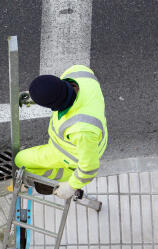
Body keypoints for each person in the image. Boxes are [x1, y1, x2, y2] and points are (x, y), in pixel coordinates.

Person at [15, 65, 108, 199]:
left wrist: (71, 186)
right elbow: (54, 89)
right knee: (23, 160)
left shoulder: (81, 129)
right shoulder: (80, 73)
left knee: (20, 160)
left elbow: (89, 167)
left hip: (72, 155)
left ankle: (63, 178)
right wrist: (36, 97)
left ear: (55, 106)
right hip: (89, 140)